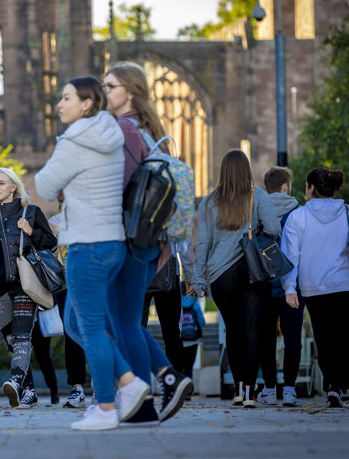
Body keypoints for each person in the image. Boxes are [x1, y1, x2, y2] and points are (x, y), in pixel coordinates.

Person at [35, 76, 151, 431]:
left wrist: (64, 182)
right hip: (112, 242)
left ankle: (106, 404)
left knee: (90, 327)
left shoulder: (75, 141)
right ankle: (129, 385)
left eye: (66, 97)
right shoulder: (108, 132)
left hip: (86, 243)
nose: (59, 103)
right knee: (75, 322)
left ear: (86, 104)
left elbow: (43, 185)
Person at [103, 62, 193, 425]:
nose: (104, 92)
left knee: (112, 322)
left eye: (110, 86)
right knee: (124, 321)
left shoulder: (124, 130)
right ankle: (158, 388)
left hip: (125, 239)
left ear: (130, 91)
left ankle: (150, 392)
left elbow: (116, 190)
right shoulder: (146, 128)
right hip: (149, 241)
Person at [0, 168, 57, 409]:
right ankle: (30, 392)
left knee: (23, 336)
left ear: (13, 187)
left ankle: (15, 382)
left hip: (24, 284)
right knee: (11, 341)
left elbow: (50, 244)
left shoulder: (30, 212)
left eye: (2, 183)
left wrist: (30, 231)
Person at [195, 150, 281, 409]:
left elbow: (202, 245)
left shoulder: (208, 203)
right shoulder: (259, 196)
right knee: (253, 329)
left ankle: (237, 388)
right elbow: (275, 229)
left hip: (221, 276)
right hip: (252, 271)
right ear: (246, 170)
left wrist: (199, 280)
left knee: (232, 330)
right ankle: (251, 391)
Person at [281, 168, 349, 408]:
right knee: (341, 334)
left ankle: (331, 382)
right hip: (343, 283)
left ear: (312, 188)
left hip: (313, 286)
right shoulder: (348, 212)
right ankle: (337, 387)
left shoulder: (297, 217)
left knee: (323, 336)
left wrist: (289, 288)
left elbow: (290, 256)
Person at [257, 166, 304, 407]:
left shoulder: (258, 211)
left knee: (266, 338)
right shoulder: (298, 213)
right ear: (286, 187)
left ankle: (268, 388)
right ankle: (289, 389)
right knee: (292, 337)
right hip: (292, 285)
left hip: (263, 284)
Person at [48, 210, 89, 408]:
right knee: (71, 334)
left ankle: (103, 386)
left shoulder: (95, 215)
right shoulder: (54, 222)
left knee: (99, 332)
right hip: (66, 286)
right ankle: (77, 388)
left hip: (94, 281)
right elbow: (48, 254)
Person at [180, 292, 205, 381]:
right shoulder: (195, 304)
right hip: (193, 340)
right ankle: (188, 388)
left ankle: (179, 385)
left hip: (180, 340)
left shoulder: (176, 302)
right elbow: (202, 323)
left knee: (179, 365)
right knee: (189, 366)